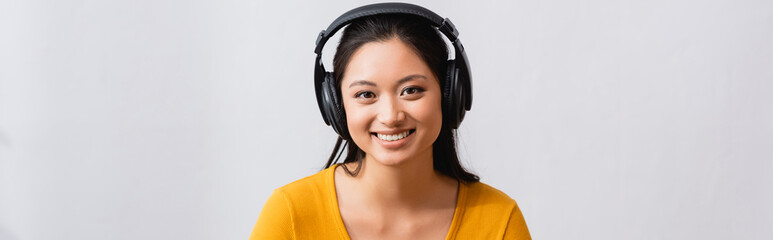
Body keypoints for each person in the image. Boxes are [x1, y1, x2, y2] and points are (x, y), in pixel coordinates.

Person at [249, 3, 531, 239]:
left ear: (450, 95)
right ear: (336, 106)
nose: (390, 116)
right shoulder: (290, 215)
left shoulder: (500, 221)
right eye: (366, 94)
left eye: (411, 90)